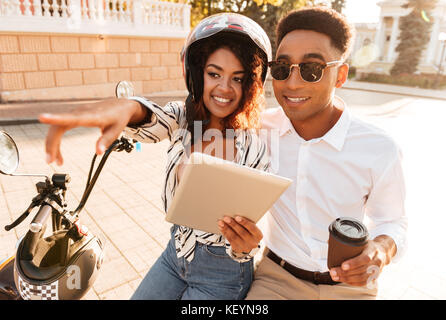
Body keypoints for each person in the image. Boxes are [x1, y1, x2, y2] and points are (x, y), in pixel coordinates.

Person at [39, 13, 272, 300]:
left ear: (251, 84)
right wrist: (127, 108)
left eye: (237, 78)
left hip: (223, 272)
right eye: (214, 73)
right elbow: (151, 118)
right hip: (176, 253)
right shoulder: (183, 118)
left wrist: (244, 247)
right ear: (197, 73)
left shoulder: (255, 147)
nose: (224, 88)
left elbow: (248, 232)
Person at [238, 7, 408, 300]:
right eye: (282, 68)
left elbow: (393, 221)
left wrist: (380, 249)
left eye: (312, 69)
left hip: (351, 288)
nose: (292, 83)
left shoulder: (379, 148)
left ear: (340, 74)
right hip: (276, 280)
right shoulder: (258, 128)